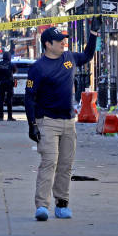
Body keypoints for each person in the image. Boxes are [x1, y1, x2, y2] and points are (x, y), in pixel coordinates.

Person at [25, 17, 100, 221]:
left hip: (68, 122)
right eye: (59, 40)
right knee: (50, 162)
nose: (63, 43)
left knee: (65, 165)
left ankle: (62, 203)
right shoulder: (38, 68)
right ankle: (42, 205)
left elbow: (87, 55)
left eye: (63, 40)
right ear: (48, 44)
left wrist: (93, 34)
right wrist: (32, 125)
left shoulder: (69, 58)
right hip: (47, 121)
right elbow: (29, 97)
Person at [0, 51, 18, 121]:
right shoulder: (11, 64)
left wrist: (0, 79)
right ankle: (9, 117)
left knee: (1, 100)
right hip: (9, 83)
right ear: (9, 57)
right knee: (9, 100)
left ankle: (1, 117)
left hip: (1, 83)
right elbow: (15, 71)